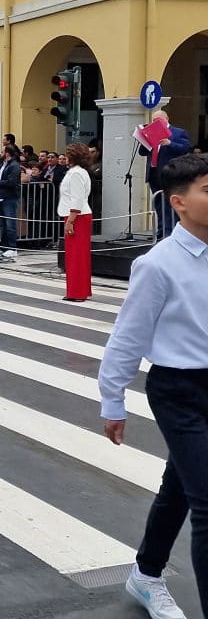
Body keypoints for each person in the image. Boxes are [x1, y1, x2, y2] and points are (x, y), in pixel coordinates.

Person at [99, 153, 208, 619]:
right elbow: (129, 335)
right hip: (179, 391)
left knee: (181, 487)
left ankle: (145, 575)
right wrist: (112, 398)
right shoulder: (157, 264)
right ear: (179, 203)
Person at [140, 110, 192, 240]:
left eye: (159, 120)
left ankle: (171, 232)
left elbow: (185, 148)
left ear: (166, 119)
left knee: (171, 203)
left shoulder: (177, 132)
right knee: (158, 203)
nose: (156, 123)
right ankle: (161, 231)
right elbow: (142, 152)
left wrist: (169, 143)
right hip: (154, 173)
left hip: (170, 174)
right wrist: (144, 140)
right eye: (154, 121)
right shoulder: (152, 134)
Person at [59, 143, 94, 302]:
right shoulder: (79, 172)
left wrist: (70, 221)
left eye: (68, 154)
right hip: (78, 215)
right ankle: (80, 290)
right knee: (77, 256)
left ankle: (77, 292)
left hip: (77, 217)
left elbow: (77, 198)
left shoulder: (76, 174)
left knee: (76, 256)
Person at [0, 145, 21, 259]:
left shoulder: (14, 165)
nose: (1, 153)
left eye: (3, 151)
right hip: (0, 196)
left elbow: (12, 182)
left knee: (10, 224)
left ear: (8, 153)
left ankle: (12, 247)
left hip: (9, 197)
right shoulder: (2, 165)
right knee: (3, 225)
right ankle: (4, 247)